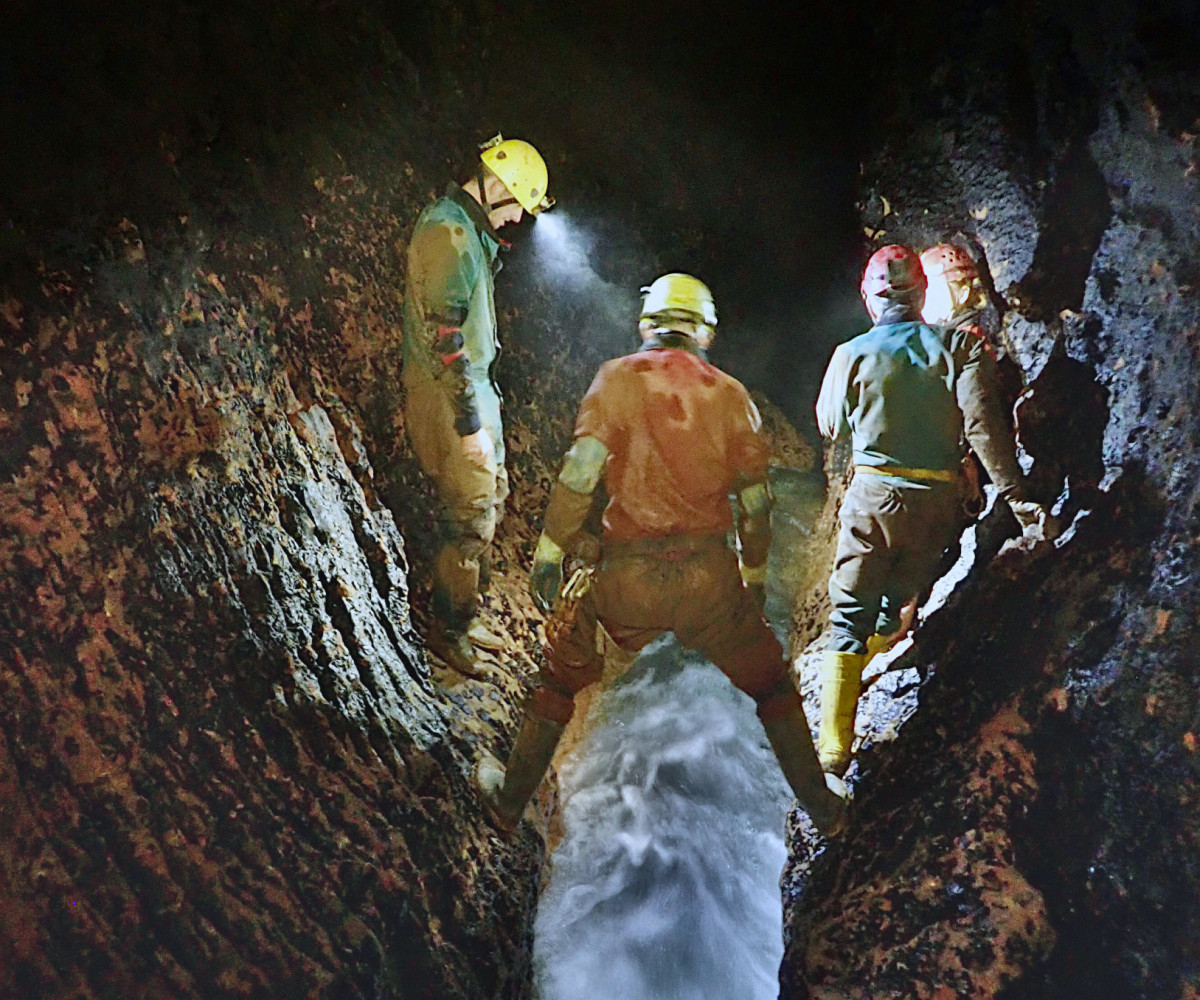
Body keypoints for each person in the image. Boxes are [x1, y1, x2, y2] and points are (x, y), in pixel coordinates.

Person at [473, 273, 848, 837]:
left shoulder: (617, 378)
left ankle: (507, 804)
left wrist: (549, 553)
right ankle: (825, 810)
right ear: (705, 332)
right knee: (771, 687)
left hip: (627, 575)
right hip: (707, 579)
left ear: (647, 324)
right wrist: (751, 579)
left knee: (558, 677)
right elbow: (755, 504)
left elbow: (580, 473)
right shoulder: (731, 395)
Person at [814, 244, 1055, 778]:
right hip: (937, 506)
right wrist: (1020, 502)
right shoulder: (961, 345)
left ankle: (833, 752)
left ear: (870, 299)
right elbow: (985, 429)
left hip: (873, 501)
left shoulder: (850, 353)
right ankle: (880, 642)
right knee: (896, 601)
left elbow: (831, 425)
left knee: (849, 616)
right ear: (922, 293)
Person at [403, 135, 552, 676]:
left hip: (474, 392)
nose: (517, 219)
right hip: (449, 398)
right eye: (516, 206)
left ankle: (467, 615)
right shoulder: (448, 234)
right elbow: (444, 339)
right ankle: (449, 631)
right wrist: (469, 426)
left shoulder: (469, 232)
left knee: (493, 499)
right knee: (468, 519)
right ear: (496, 186)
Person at [920, 243, 1060, 550]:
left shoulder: (960, 345)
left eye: (931, 292)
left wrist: (1017, 500)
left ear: (957, 292)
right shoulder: (956, 344)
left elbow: (980, 419)